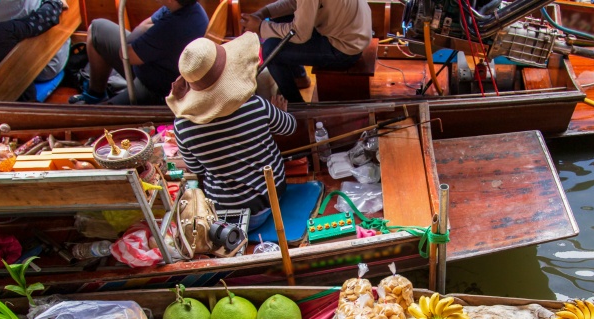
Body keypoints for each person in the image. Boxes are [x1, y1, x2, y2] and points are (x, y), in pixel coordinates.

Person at [167, 34, 297, 230]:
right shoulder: (255, 105)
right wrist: (279, 112)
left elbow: (198, 170)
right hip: (271, 201)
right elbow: (290, 127)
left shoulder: (182, 126)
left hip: (227, 214)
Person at [70, 0, 208, 105]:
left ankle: (102, 103)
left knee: (100, 117)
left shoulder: (172, 27)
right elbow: (146, 25)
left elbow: (126, 55)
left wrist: (138, 38)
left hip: (155, 90)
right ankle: (95, 94)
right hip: (148, 64)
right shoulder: (187, 8)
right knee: (96, 29)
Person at [240, 0, 372, 103]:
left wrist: (260, 26)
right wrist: (264, 13)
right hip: (354, 34)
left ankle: (296, 104)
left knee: (271, 50)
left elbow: (300, 34)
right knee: (278, 19)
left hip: (345, 49)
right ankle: (300, 78)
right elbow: (295, 3)